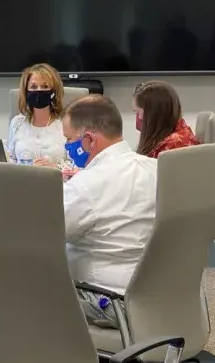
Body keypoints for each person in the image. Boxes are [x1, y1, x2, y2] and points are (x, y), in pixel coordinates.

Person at [60, 96, 157, 328]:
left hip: (108, 303)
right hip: (160, 298)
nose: (67, 147)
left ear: (89, 140)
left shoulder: (87, 185)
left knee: (20, 287)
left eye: (69, 139)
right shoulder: (157, 169)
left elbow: (42, 235)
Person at [7, 63, 68, 166]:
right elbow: (11, 161)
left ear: (54, 91)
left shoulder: (65, 123)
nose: (39, 90)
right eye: (33, 87)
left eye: (45, 86)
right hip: (24, 176)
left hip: (56, 176)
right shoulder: (17, 123)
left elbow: (76, 165)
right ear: (26, 92)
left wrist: (55, 168)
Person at [133, 80, 199, 158]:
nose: (138, 118)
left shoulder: (174, 145)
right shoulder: (164, 135)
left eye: (137, 112)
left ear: (153, 113)